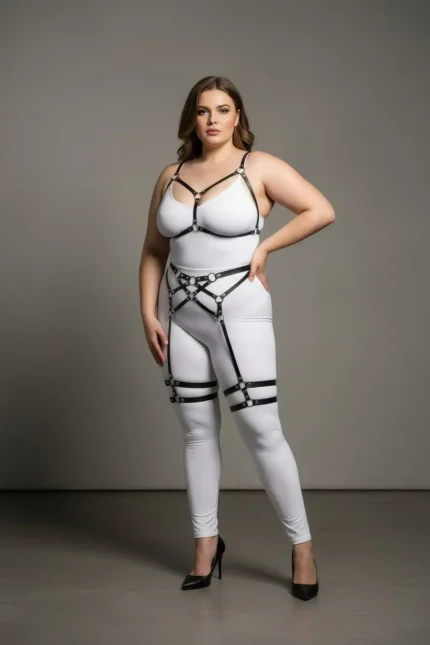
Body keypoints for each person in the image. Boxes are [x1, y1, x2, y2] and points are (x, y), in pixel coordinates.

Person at [139, 76, 335, 600]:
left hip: (239, 311)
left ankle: (302, 547)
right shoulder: (170, 175)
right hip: (180, 315)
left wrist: (265, 248)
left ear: (238, 116)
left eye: (223, 110)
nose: (213, 120)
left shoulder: (258, 166)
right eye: (203, 110)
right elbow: (154, 249)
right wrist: (146, 312)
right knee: (196, 432)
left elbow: (321, 209)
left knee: (261, 430)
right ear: (192, 117)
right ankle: (205, 545)